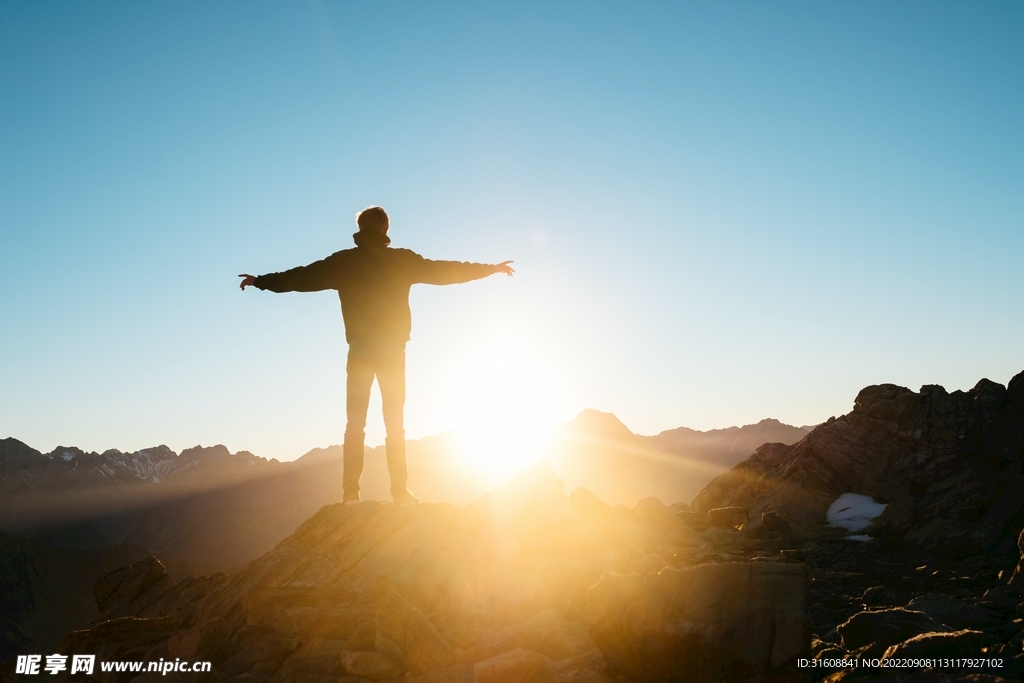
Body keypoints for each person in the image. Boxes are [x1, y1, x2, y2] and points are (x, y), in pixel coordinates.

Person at [239, 206, 513, 505]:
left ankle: (350, 494)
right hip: (393, 351)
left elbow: (300, 277)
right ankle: (399, 493)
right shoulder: (402, 261)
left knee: (355, 423)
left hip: (360, 351)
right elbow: (446, 270)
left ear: (360, 227)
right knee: (395, 421)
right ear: (385, 229)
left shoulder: (344, 262)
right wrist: (490, 268)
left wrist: (260, 281)